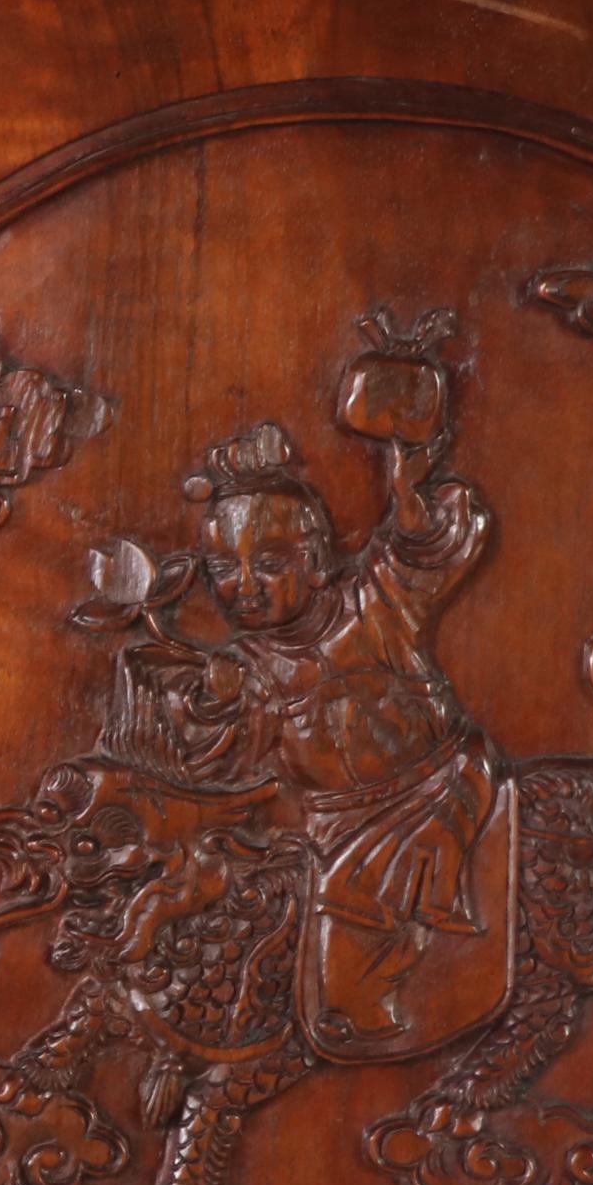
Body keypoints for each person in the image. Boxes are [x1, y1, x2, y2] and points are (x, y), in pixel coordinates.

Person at [178, 418, 501, 1052]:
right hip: (334, 827)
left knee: (347, 990)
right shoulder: (247, 670)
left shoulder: (377, 602)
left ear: (320, 560)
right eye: (223, 567)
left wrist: (407, 488)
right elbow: (227, 776)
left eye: (269, 562)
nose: (242, 586)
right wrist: (213, 710)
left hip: (437, 788)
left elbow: (426, 547)